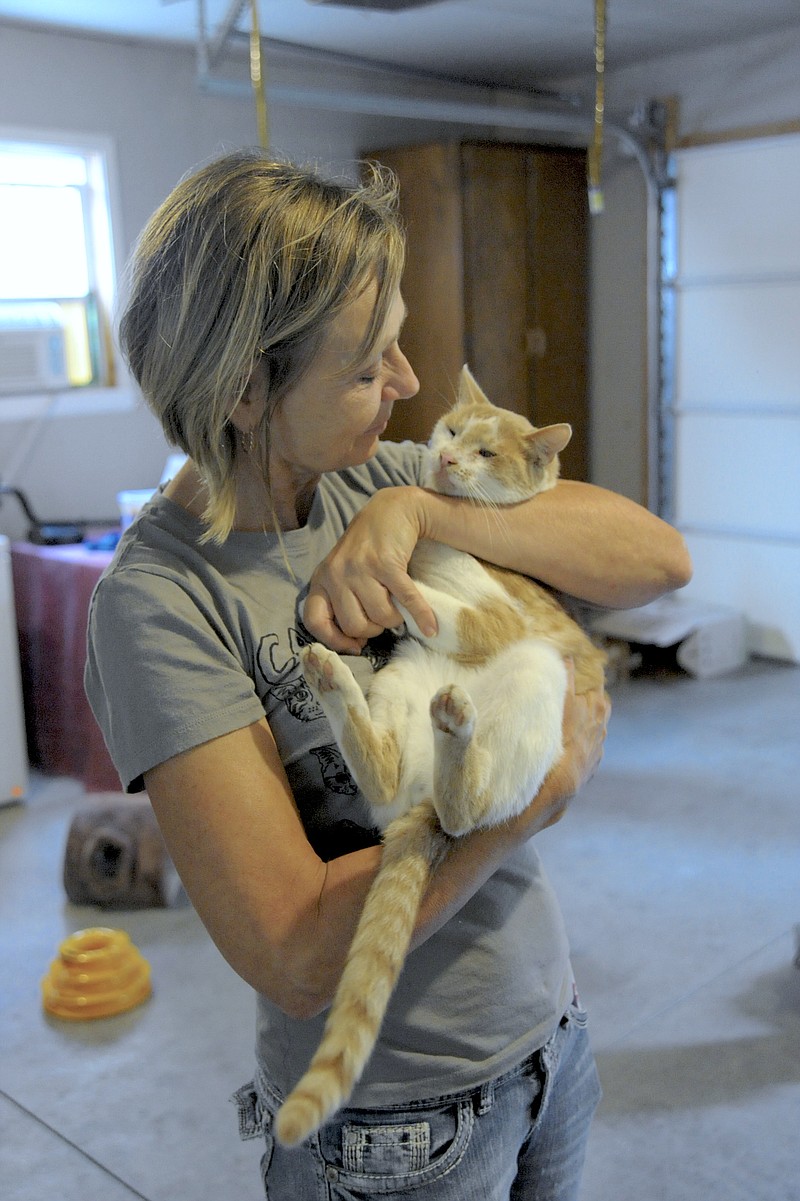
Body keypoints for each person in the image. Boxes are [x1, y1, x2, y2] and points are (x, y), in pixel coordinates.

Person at [85, 149, 691, 1201]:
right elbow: (295, 950)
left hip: (550, 1034)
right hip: (389, 1123)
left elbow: (654, 559)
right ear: (241, 390)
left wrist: (423, 509)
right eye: (367, 366)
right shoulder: (160, 603)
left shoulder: (373, 474)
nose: (406, 385)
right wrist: (526, 806)